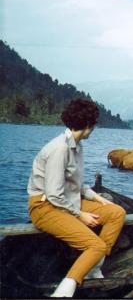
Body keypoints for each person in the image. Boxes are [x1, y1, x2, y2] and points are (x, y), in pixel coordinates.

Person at [27, 99, 126, 297]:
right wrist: (80, 215)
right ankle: (63, 291)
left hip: (68, 201)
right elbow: (54, 194)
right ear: (89, 126)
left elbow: (77, 185)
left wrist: (98, 199)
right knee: (95, 245)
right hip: (44, 207)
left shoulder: (76, 146)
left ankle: (92, 267)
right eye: (94, 124)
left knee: (116, 213)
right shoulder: (60, 149)